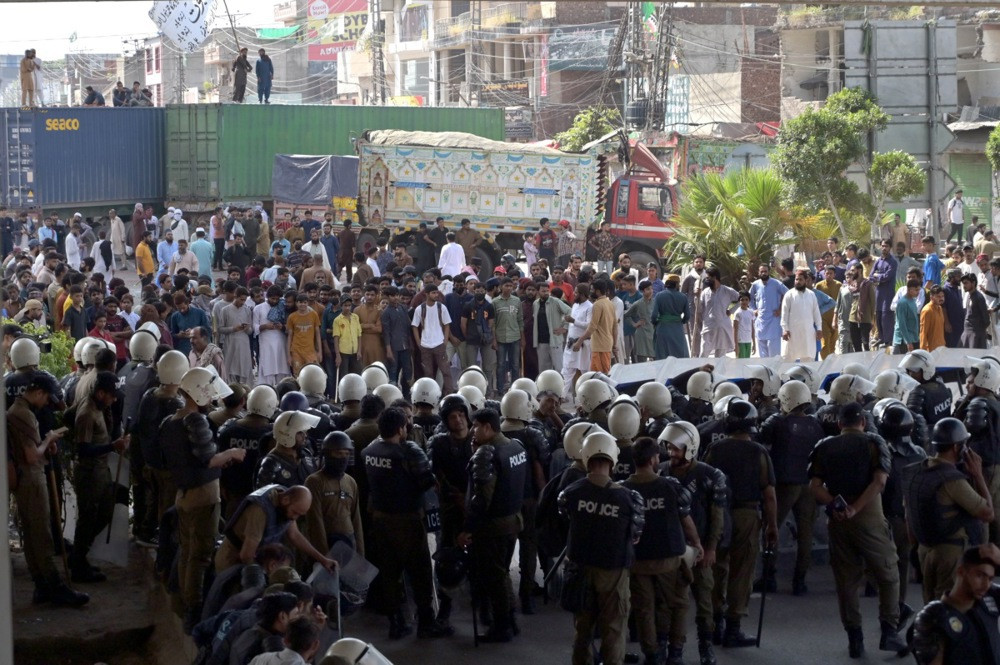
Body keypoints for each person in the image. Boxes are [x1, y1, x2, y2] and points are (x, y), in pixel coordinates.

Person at [808, 402, 906, 658]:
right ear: (863, 421)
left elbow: (815, 486)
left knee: (846, 580)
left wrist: (836, 505)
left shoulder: (824, 446)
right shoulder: (874, 443)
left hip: (837, 519)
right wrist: (856, 507)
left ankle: (855, 637)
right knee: (888, 573)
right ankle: (889, 630)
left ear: (839, 424)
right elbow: (880, 482)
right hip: (869, 514)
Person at [364, 407, 453, 639]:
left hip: (380, 519)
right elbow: (428, 484)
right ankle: (426, 623)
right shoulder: (407, 452)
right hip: (407, 520)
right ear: (400, 428)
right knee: (420, 571)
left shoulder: (370, 451)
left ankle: (396, 623)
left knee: (389, 573)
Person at [558, 430, 645, 665]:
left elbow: (566, 519)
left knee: (582, 630)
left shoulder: (569, 494)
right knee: (614, 631)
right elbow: (636, 535)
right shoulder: (629, 498)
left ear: (585, 457)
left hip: (579, 568)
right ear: (613, 460)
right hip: (613, 572)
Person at [8, 371, 89, 606]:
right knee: (41, 536)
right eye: (46, 399)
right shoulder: (23, 414)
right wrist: (49, 439)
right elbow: (32, 455)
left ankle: (42, 586)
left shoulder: (17, 410)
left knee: (32, 536)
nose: (47, 404)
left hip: (23, 480)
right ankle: (54, 587)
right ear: (39, 392)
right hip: (31, 479)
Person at [703, 399, 778, 648]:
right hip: (747, 515)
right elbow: (768, 493)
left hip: (719, 513)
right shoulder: (759, 452)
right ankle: (733, 627)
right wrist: (772, 525)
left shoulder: (715, 449)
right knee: (742, 571)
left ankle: (715, 623)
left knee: (717, 568)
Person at [624, 436, 702, 665]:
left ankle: (652, 654)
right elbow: (685, 518)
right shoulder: (670, 485)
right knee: (677, 603)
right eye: (658, 455)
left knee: (644, 609)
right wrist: (697, 543)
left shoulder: (624, 490)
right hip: (670, 559)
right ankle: (675, 652)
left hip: (638, 561)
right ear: (652, 459)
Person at [456, 408, 528, 642]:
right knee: (502, 574)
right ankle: (510, 620)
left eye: (476, 426)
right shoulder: (515, 447)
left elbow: (481, 498)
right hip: (513, 520)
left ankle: (502, 627)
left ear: (488, 427)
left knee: (494, 578)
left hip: (493, 527)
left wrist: (468, 529)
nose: (473, 431)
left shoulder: (488, 453)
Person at [908, 417, 994, 604]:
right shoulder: (952, 480)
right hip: (949, 552)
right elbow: (988, 513)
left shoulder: (919, 471)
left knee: (930, 606)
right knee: (948, 609)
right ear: (957, 447)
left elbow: (909, 513)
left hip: (925, 549)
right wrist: (978, 475)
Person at [911, 544, 1000, 665]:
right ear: (961, 571)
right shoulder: (935, 616)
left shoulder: (990, 597)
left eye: (990, 579)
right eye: (979, 575)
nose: (986, 585)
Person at [412, 285, 455, 393]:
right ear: (426, 294)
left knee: (446, 372)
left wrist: (444, 341)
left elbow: (447, 325)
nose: (436, 295)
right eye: (433, 293)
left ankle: (448, 393)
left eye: (437, 293)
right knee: (428, 373)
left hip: (439, 344)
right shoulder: (420, 309)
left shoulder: (441, 307)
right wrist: (419, 343)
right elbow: (414, 326)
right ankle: (431, 395)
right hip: (425, 345)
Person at [573, 278, 617, 373]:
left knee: (598, 375)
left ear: (597, 291)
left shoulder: (597, 304)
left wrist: (579, 341)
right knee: (605, 372)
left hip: (599, 346)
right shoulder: (610, 303)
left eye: (592, 290)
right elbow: (615, 326)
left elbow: (592, 326)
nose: (591, 292)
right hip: (607, 343)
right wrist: (615, 344)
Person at [780, 268, 822, 361]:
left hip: (807, 333)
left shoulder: (811, 295)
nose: (798, 282)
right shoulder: (789, 295)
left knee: (808, 359)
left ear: (806, 281)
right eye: (796, 279)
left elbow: (816, 313)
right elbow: (784, 314)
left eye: (800, 279)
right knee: (788, 359)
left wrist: (819, 329)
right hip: (792, 333)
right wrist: (785, 329)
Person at [747, 263, 787, 358]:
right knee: (763, 354)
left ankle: (775, 372)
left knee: (774, 354)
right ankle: (765, 372)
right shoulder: (755, 284)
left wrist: (781, 309)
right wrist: (754, 309)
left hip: (774, 320)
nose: (764, 273)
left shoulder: (776, 283)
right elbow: (749, 297)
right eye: (762, 271)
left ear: (769, 272)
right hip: (760, 321)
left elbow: (788, 294)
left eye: (765, 271)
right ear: (758, 273)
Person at [698, 267, 739, 358]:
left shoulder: (727, 290)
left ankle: (717, 372)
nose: (706, 280)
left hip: (723, 328)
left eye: (708, 277)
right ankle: (701, 371)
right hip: (708, 327)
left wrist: (731, 311)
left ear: (715, 277)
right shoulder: (705, 292)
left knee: (720, 356)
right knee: (703, 353)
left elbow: (741, 299)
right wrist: (696, 297)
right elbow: (700, 308)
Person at [219, 287, 254, 384]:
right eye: (241, 299)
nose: (242, 302)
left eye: (244, 300)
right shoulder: (225, 310)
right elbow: (220, 329)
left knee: (244, 369)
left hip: (244, 344)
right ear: (235, 296)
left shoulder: (247, 310)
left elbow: (251, 331)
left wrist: (247, 328)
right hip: (230, 343)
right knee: (230, 369)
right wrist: (233, 329)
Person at [286, 294, 322, 375]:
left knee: (313, 374)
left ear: (307, 303)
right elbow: (290, 336)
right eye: (300, 302)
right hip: (296, 351)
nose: (303, 304)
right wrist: (288, 356)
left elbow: (317, 334)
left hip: (310, 351)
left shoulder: (314, 315)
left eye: (305, 302)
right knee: (298, 375)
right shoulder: (292, 317)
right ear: (296, 303)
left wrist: (320, 352)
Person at [892, 278, 921, 353]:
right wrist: (908, 341)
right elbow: (902, 324)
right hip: (903, 340)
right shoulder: (902, 303)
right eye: (916, 290)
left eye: (919, 290)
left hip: (913, 338)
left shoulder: (913, 300)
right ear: (909, 289)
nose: (918, 292)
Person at [732, 292, 754, 358]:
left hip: (748, 341)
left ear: (749, 300)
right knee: (740, 363)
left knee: (747, 362)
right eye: (742, 300)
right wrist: (736, 345)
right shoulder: (738, 313)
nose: (744, 302)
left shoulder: (750, 312)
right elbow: (735, 330)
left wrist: (754, 343)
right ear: (739, 301)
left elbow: (752, 328)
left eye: (746, 299)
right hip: (740, 342)